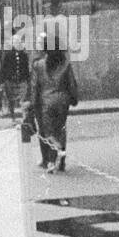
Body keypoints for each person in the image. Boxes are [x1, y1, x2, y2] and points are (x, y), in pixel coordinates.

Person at [25, 27, 79, 173]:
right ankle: (59, 161)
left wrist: (32, 105)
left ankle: (51, 161)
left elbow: (35, 87)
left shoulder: (38, 64)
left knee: (48, 132)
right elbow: (72, 83)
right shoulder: (65, 63)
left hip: (45, 102)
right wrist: (73, 99)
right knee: (60, 130)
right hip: (62, 102)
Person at [0, 32, 29, 119]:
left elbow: (26, 68)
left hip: (22, 80)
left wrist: (28, 79)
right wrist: (1, 81)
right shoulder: (8, 55)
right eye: (15, 43)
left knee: (23, 99)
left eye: (18, 43)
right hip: (10, 80)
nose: (17, 45)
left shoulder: (24, 55)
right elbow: (3, 69)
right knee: (10, 99)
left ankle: (25, 118)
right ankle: (13, 117)